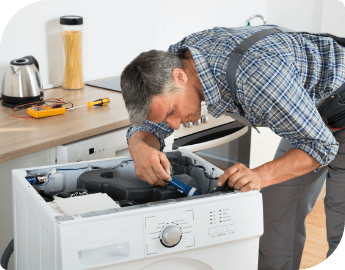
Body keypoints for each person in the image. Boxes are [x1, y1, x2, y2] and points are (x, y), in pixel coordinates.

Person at [120, 25, 345, 270]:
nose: (173, 124)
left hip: (337, 102)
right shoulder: (177, 60)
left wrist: (259, 175)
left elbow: (320, 145)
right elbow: (151, 123)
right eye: (165, 118)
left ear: (179, 77)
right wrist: (139, 145)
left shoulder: (256, 76)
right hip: (305, 111)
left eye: (173, 112)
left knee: (340, 220)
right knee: (276, 213)